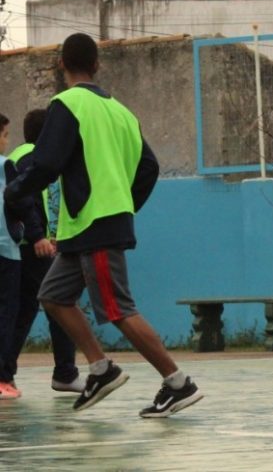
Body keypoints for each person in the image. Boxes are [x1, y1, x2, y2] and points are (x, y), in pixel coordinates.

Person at [4, 33, 203, 417]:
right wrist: (125, 205)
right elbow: (149, 167)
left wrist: (13, 192)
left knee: (118, 309)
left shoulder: (67, 103)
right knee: (53, 296)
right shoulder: (122, 112)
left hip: (96, 224)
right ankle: (101, 369)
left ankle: (179, 383)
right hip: (86, 227)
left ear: (61, 64)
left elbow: (46, 163)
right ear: (97, 65)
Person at [7, 109, 84, 394]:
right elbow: (25, 200)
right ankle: (63, 372)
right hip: (34, 247)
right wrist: (39, 236)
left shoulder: (22, 156)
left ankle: (8, 371)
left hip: (33, 245)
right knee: (55, 303)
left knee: (29, 308)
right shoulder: (32, 159)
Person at [0, 113, 49, 399]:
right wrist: (37, 234)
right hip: (8, 249)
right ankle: (3, 376)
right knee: (10, 311)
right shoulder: (8, 166)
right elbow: (22, 200)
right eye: (5, 135)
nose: (7, 141)